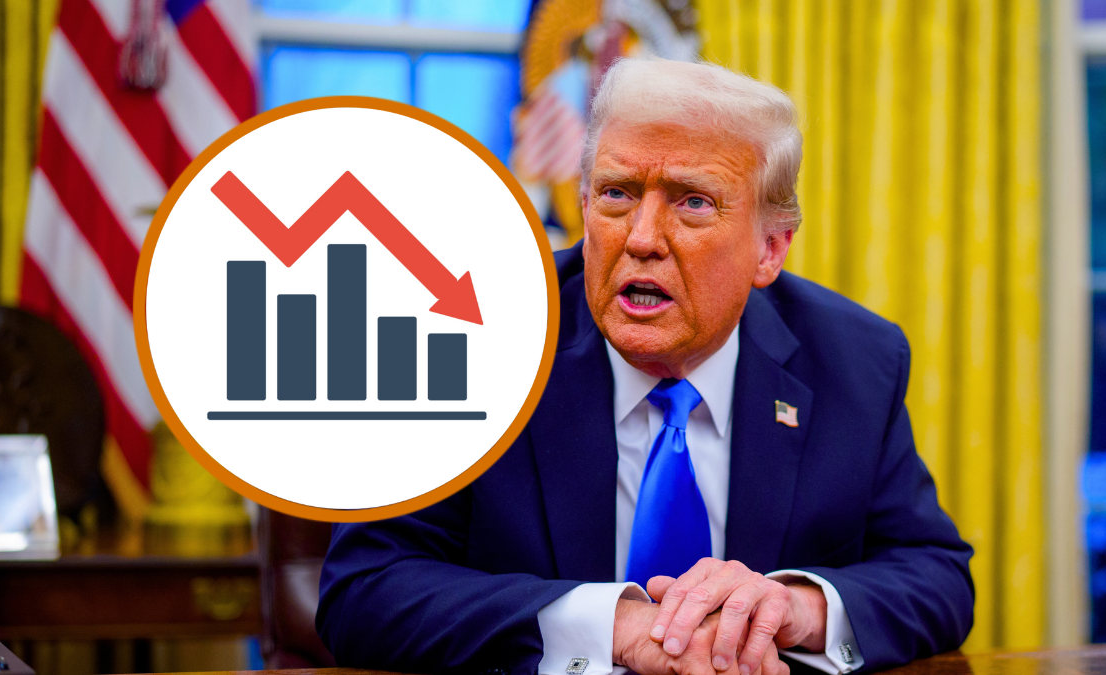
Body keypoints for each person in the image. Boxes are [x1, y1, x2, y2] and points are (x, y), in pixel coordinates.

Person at [317, 57, 974, 675]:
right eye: (617, 193)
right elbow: (365, 585)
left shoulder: (854, 361)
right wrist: (614, 626)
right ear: (582, 204)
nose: (640, 237)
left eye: (692, 200)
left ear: (770, 249)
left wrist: (799, 605)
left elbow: (936, 574)